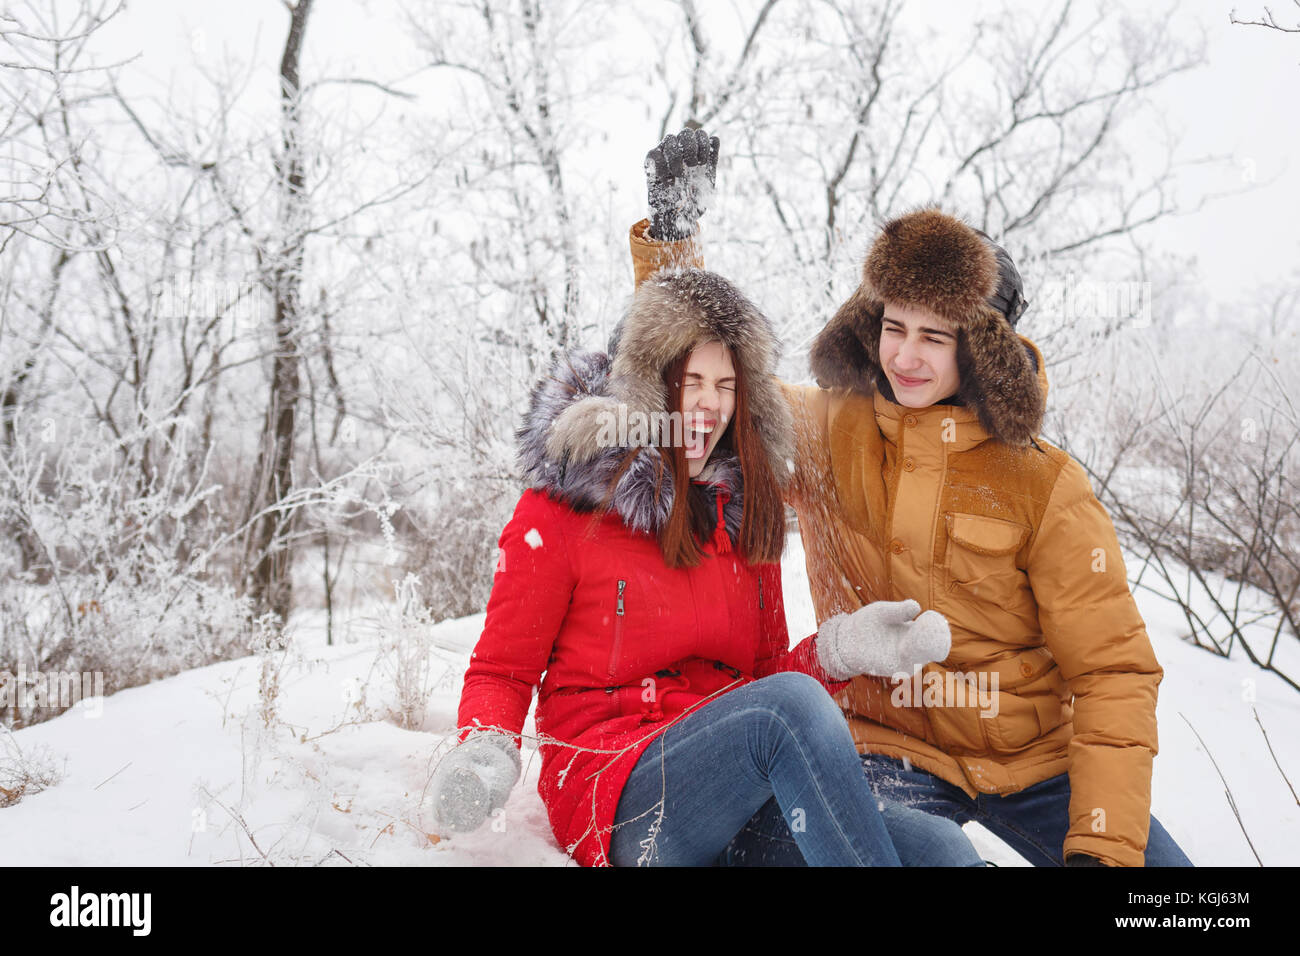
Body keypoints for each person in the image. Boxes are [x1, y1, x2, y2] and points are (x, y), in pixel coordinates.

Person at [628, 129, 1193, 867]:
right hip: (887, 749)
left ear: (981, 348)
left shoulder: (1044, 483)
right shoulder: (831, 430)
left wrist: (1101, 845)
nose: (905, 355)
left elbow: (1112, 671)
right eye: (894, 327)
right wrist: (672, 247)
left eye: (934, 336)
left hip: (1035, 763)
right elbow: (713, 382)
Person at [429, 255, 985, 866]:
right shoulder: (563, 510)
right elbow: (501, 670)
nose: (708, 405)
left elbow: (768, 674)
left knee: (941, 848)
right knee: (791, 707)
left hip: (736, 790)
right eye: (690, 382)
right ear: (646, 387)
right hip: (620, 794)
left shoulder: (742, 512)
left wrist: (842, 649)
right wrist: (484, 747)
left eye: (725, 387)